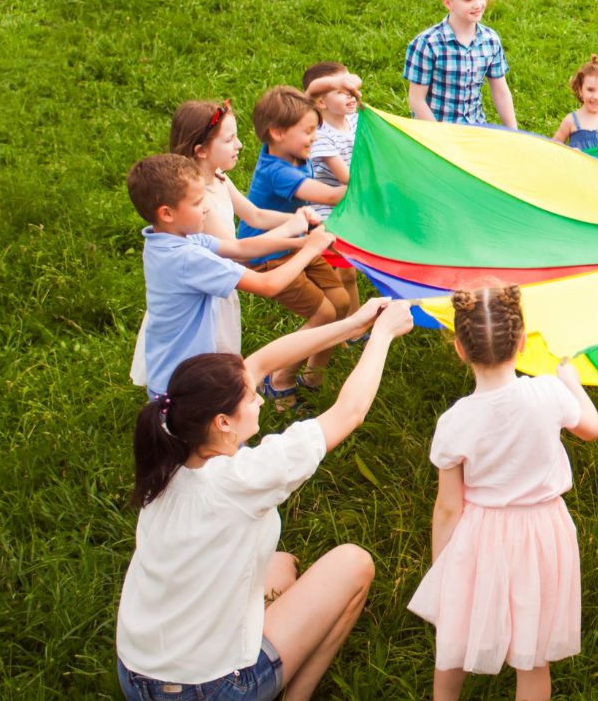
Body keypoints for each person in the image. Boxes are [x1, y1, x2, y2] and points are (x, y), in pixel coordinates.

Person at [116, 298, 413, 701]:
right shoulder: (243, 478)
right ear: (223, 423)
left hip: (136, 673)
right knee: (352, 564)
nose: (258, 397)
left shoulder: (169, 458)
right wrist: (381, 336)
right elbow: (349, 412)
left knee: (282, 566)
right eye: (250, 397)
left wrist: (353, 323)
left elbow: (256, 364)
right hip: (209, 689)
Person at [408, 286, 598, 701]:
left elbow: (447, 507)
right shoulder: (548, 393)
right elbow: (591, 428)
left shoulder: (455, 420)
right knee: (532, 656)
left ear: (460, 348)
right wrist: (571, 382)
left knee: (457, 628)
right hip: (543, 534)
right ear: (521, 340)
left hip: (481, 538)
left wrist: (442, 566)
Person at [128, 100, 314, 388]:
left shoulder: (197, 204)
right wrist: (307, 243)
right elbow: (256, 274)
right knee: (217, 374)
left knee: (216, 376)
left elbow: (252, 222)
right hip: (207, 305)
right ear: (200, 150)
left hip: (209, 292)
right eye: (229, 139)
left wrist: (298, 228)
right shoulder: (191, 244)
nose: (240, 144)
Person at [238, 86, 359, 411]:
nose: (314, 138)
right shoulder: (276, 171)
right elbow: (332, 196)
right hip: (268, 256)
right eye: (307, 132)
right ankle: (278, 378)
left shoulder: (292, 151)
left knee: (341, 301)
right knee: (323, 313)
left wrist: (341, 85)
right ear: (277, 133)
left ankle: (312, 376)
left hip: (299, 243)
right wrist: (370, 179)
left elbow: (315, 90)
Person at [404, 0, 517, 128]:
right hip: (435, 132)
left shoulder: (490, 40)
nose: (478, 4)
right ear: (448, 3)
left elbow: (501, 92)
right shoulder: (427, 44)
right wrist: (441, 138)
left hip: (474, 130)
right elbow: (416, 100)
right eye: (468, 0)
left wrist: (513, 133)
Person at [304, 62, 364, 316]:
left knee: (349, 272)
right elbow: (346, 177)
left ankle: (355, 322)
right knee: (344, 272)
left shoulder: (355, 121)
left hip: (353, 204)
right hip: (328, 212)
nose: (350, 96)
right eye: (340, 92)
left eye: (350, 90)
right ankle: (344, 325)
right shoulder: (321, 136)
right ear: (321, 103)